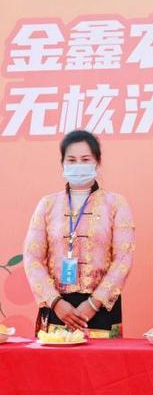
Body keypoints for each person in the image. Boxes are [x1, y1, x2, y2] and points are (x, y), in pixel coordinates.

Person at [24, 130, 135, 338]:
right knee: (57, 358)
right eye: (71, 160)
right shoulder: (47, 205)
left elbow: (123, 258)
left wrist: (94, 303)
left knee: (104, 360)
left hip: (102, 308)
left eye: (85, 159)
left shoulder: (116, 204)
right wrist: (55, 302)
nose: (78, 165)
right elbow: (32, 258)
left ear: (97, 162)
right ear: (62, 164)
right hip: (57, 307)